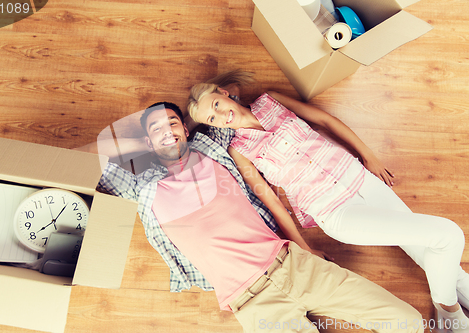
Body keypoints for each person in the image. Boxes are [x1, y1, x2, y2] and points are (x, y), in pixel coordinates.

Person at [79, 101, 423, 333]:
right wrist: (137, 141)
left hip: (296, 267)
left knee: (408, 321)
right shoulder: (141, 184)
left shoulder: (213, 147)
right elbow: (80, 161)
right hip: (254, 305)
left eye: (173, 122)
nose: (168, 130)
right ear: (147, 141)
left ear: (186, 128)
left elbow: (232, 106)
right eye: (156, 129)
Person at [187, 70, 469, 331]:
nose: (221, 116)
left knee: (424, 246)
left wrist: (368, 155)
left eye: (215, 105)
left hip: (361, 179)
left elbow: (324, 120)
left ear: (224, 94)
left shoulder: (271, 100)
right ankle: (448, 309)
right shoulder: (239, 150)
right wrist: (304, 246)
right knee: (447, 236)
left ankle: (451, 307)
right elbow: (271, 200)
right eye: (211, 119)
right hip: (335, 211)